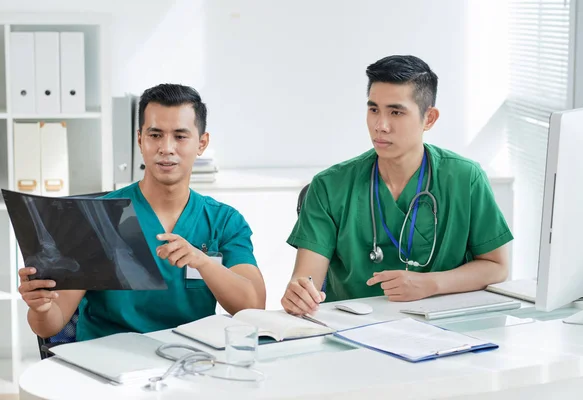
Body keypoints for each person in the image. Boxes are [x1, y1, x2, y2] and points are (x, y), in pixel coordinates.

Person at [19, 83, 266, 340]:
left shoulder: (224, 221)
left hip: (189, 361)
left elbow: (253, 305)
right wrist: (41, 307)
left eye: (180, 136)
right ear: (140, 140)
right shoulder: (94, 218)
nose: (166, 148)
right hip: (107, 363)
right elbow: (50, 325)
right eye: (155, 135)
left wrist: (202, 262)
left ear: (201, 143)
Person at [281, 55, 513, 315]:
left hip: (444, 327)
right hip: (354, 332)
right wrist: (299, 293)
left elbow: (497, 266)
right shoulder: (329, 186)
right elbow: (306, 278)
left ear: (429, 119)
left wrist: (430, 284)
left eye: (396, 112)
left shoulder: (464, 178)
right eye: (373, 110)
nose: (380, 125)